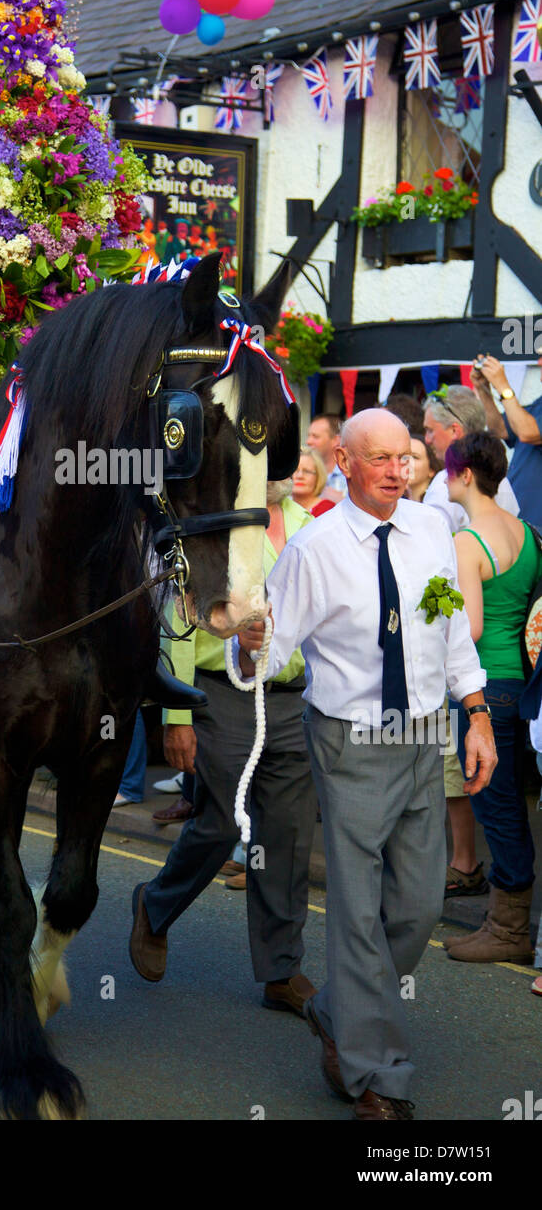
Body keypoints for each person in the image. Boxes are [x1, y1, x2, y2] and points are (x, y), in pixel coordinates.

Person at [236, 409, 495, 1121]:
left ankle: (338, 1011)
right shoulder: (315, 549)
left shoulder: (431, 531)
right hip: (349, 742)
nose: (394, 470)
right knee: (355, 913)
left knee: (419, 908)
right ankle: (377, 1076)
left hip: (425, 733)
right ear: (344, 464)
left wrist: (475, 713)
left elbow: (448, 632)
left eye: (403, 458)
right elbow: (266, 649)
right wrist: (248, 639)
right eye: (376, 458)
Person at [129, 479, 318, 1019]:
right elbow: (178, 618)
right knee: (220, 826)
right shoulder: (216, 522)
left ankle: (281, 971)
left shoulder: (311, 525)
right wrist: (179, 713)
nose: (284, 465)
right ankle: (154, 903)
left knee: (286, 836)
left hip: (292, 699)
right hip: (220, 695)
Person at [442, 432, 542, 963]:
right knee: (513, 805)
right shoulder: (527, 533)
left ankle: (508, 931)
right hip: (522, 689)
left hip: (484, 688)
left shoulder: (466, 541)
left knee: (496, 806)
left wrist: (432, 608)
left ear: (461, 475)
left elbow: (472, 625)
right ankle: (508, 923)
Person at [422, 385, 519, 531]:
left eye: (430, 430)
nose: (427, 440)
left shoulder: (448, 481)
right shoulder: (500, 477)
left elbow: (431, 543)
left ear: (455, 430)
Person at [470, 344, 542, 528]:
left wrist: (503, 386)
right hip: (524, 527)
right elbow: (500, 430)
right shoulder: (539, 405)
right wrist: (484, 389)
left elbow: (527, 432)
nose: (539, 362)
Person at [306, 414, 347, 499]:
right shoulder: (301, 473)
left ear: (336, 440)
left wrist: (342, 499)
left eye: (315, 437)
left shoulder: (350, 476)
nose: (308, 441)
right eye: (308, 436)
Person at [292, 446, 336, 516]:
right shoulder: (280, 508)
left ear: (318, 476)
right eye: (295, 470)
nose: (300, 476)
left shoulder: (328, 510)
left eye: (307, 471)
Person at [405, 433, 442, 502]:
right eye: (403, 455)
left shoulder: (438, 502)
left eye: (415, 457)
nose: (406, 461)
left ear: (431, 470)